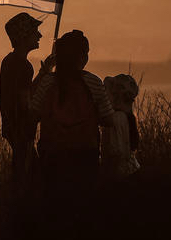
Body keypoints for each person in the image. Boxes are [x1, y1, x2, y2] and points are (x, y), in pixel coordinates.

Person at [30, 30, 114, 204]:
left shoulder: (48, 82)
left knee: (55, 205)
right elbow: (108, 119)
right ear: (82, 57)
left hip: (52, 155)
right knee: (83, 205)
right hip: (85, 155)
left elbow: (34, 114)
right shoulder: (94, 82)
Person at [0, 12, 54, 196]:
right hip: (22, 131)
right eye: (35, 31)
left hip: (14, 130)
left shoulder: (10, 61)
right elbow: (26, 103)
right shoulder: (22, 66)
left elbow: (25, 91)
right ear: (24, 36)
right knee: (29, 182)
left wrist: (44, 71)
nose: (39, 35)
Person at [101, 74, 141, 181]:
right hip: (126, 172)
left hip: (119, 175)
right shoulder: (124, 117)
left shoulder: (117, 118)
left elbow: (116, 151)